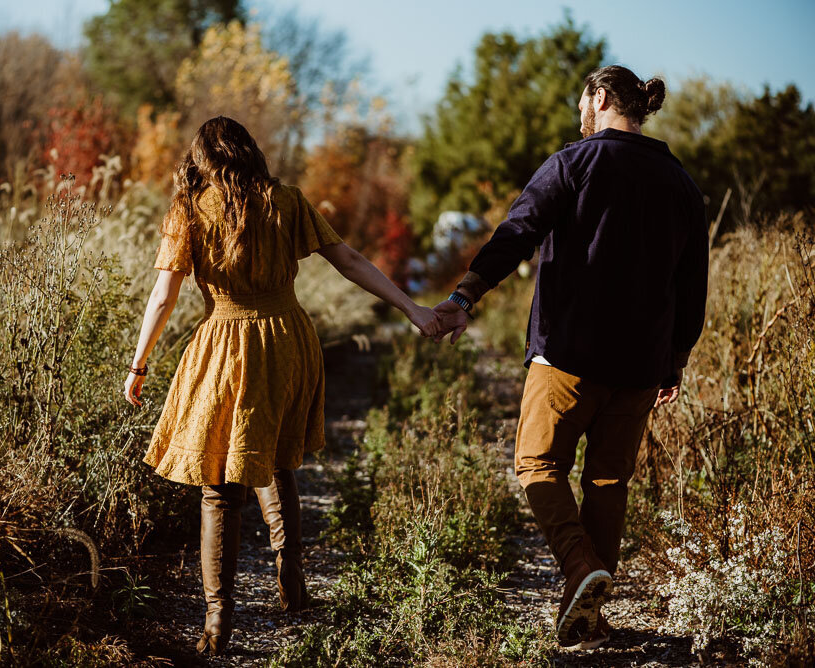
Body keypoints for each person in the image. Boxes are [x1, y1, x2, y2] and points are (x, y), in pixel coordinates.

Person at [123, 116, 440, 656]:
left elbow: (162, 297)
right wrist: (411, 308)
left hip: (227, 345)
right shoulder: (286, 201)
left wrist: (138, 364)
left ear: (201, 159)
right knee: (274, 459)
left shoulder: (190, 209)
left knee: (220, 482)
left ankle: (218, 621)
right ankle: (292, 586)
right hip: (288, 339)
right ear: (250, 152)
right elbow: (351, 260)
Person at [433, 65, 708, 649]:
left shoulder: (574, 163)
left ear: (600, 97)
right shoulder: (681, 183)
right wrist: (674, 360)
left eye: (581, 100)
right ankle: (587, 621)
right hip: (639, 370)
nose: (577, 113)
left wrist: (465, 296)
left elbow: (517, 232)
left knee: (537, 465)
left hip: (567, 356)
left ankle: (580, 569)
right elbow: (693, 285)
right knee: (608, 483)